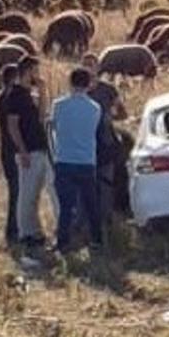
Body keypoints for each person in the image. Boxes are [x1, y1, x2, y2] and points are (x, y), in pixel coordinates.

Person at [50, 67, 103, 253]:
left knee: (66, 206)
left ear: (70, 83)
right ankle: (97, 240)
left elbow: (53, 127)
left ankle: (63, 242)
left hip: (64, 159)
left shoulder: (58, 105)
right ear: (88, 85)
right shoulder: (95, 108)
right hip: (87, 161)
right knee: (90, 204)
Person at [10, 56, 58, 257]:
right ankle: (26, 233)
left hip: (41, 149)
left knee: (44, 191)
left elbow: (42, 115)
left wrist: (43, 91)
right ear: (28, 71)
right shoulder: (15, 95)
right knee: (27, 194)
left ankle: (37, 232)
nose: (38, 75)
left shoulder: (31, 94)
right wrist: (22, 150)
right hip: (27, 151)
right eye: (36, 72)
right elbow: (12, 125)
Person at [82, 53, 128, 225]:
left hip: (106, 142)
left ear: (98, 68)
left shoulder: (108, 90)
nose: (88, 68)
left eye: (91, 65)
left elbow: (123, 113)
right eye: (85, 65)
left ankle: (107, 221)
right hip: (85, 144)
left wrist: (111, 116)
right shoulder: (78, 91)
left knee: (106, 183)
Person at [0, 64, 21, 248]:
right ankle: (13, 230)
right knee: (17, 191)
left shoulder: (2, 96)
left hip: (6, 148)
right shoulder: (11, 99)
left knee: (15, 190)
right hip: (13, 150)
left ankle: (13, 228)